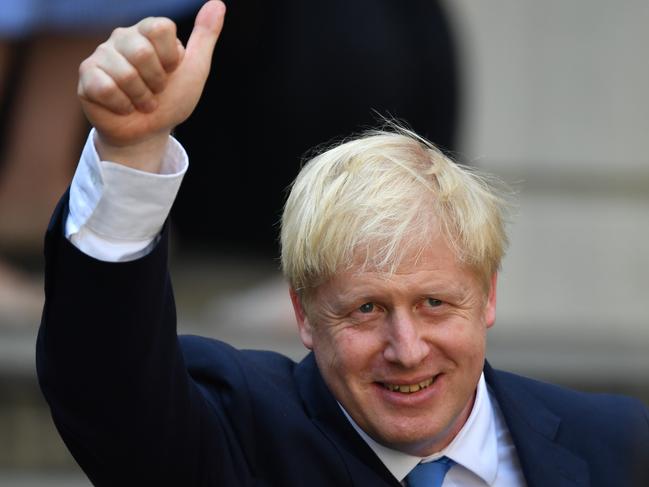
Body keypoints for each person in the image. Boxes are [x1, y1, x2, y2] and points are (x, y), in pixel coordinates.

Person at [36, 2, 649, 486]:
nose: (406, 350)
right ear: (302, 314)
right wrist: (131, 152)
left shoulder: (618, 445)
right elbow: (108, 390)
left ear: (488, 296)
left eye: (435, 303)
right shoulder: (237, 434)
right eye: (366, 309)